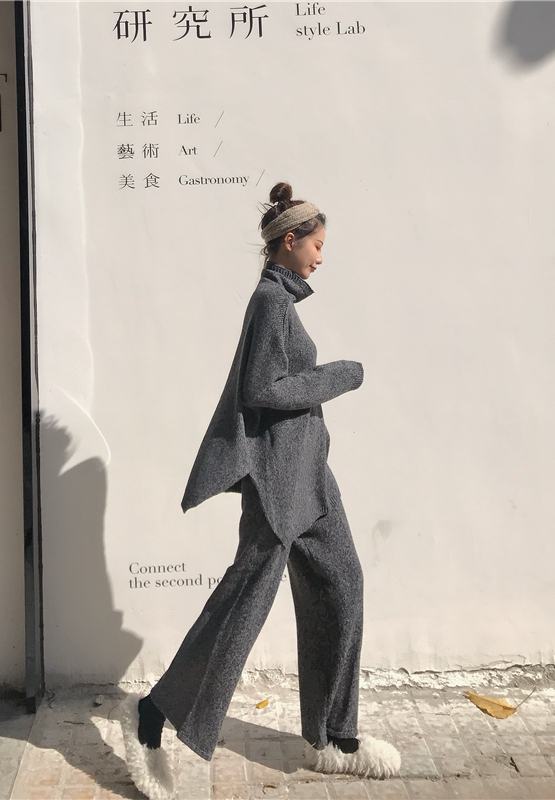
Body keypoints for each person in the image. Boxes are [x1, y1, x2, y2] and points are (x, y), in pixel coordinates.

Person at [120, 183, 400, 800]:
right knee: (243, 605)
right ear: (290, 241)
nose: (322, 256)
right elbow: (262, 389)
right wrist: (338, 376)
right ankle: (153, 714)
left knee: (342, 583)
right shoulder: (271, 302)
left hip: (310, 475)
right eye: (317, 245)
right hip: (279, 482)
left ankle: (334, 738)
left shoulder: (282, 301)